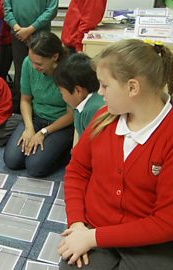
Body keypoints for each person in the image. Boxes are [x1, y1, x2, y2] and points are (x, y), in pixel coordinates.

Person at [58, 39, 173, 269]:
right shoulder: (104, 117)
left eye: (104, 86)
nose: (99, 93)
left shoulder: (168, 135)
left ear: (132, 88)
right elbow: (77, 171)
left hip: (149, 240)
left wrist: (92, 238)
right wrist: (78, 223)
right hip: (94, 227)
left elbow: (165, 222)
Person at [3, 31, 73, 177]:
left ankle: (65, 151)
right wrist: (29, 128)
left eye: (39, 63)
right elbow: (25, 100)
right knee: (12, 161)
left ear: (55, 57)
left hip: (60, 124)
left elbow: (72, 115)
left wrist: (43, 132)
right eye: (31, 61)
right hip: (36, 118)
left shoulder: (69, 70)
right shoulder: (28, 63)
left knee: (35, 167)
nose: (34, 66)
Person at [3, 0, 58, 113]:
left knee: (41, 72)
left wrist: (30, 30)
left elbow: (51, 10)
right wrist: (18, 29)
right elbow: (6, 10)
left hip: (41, 36)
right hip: (18, 35)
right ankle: (19, 111)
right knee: (20, 74)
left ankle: (40, 111)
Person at [53, 53, 104, 146]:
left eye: (62, 93)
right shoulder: (91, 102)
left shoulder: (91, 111)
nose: (62, 97)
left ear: (78, 91)